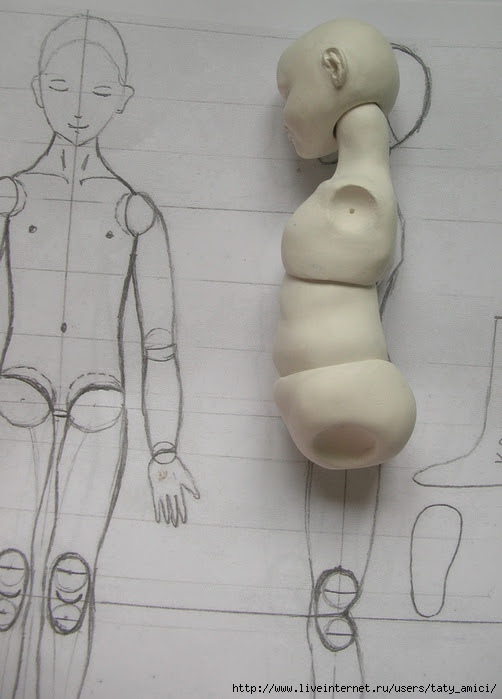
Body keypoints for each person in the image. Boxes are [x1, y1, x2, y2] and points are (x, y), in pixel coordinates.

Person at [0, 14, 199, 698]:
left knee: (70, 581)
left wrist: (165, 450)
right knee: (11, 574)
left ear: (123, 100)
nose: (79, 106)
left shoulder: (134, 212)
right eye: (61, 88)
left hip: (96, 402)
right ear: (37, 90)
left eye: (99, 91)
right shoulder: (9, 198)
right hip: (18, 395)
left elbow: (159, 345)